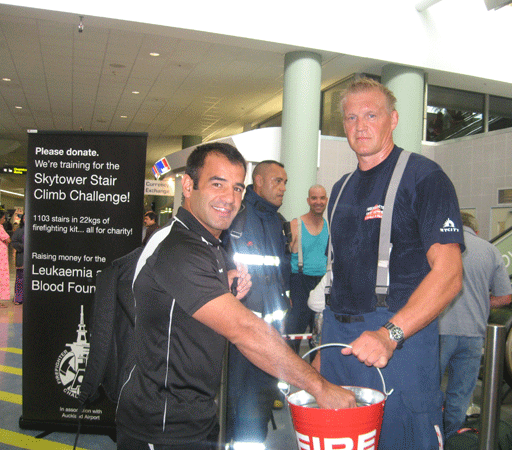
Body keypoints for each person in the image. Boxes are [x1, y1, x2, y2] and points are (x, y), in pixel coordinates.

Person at [115, 143, 355, 450]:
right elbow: (244, 330)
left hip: (193, 411)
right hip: (162, 424)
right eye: (217, 184)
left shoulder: (207, 243)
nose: (229, 198)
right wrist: (319, 386)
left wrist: (223, 285)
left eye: (237, 187)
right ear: (188, 186)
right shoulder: (180, 248)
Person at [319, 77, 464, 450]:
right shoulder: (340, 188)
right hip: (339, 341)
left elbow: (449, 276)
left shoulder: (425, 178)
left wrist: (390, 335)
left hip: (398, 342)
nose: (360, 126)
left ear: (393, 119)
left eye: (371, 114)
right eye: (351, 118)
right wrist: (325, 350)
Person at [223, 159, 293, 445]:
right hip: (239, 338)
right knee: (239, 408)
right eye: (278, 181)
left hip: (271, 338)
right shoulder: (235, 215)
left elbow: (280, 279)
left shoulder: (277, 223)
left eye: (286, 182)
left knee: (259, 409)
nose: (284, 188)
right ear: (259, 181)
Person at [439, 212, 512, 439]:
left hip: (439, 330)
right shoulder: (491, 250)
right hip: (474, 333)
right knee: (460, 395)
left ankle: (428, 438)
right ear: (476, 231)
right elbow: (505, 297)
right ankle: (452, 439)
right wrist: (482, 299)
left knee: (428, 388)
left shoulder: (440, 246)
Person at [286, 184, 329, 354]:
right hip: (300, 282)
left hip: (322, 284)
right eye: (314, 198)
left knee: (318, 339)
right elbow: (286, 259)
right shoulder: (296, 224)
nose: (318, 202)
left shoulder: (329, 226)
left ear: (326, 200)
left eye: (322, 198)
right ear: (308, 200)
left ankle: (315, 375)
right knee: (293, 336)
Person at [10, 215, 24, 305]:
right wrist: (23, 247)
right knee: (20, 278)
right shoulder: (19, 230)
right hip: (22, 257)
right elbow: (13, 241)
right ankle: (18, 298)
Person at [0, 214, 11, 309]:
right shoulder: (0, 228)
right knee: (1, 277)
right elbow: (8, 239)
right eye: (3, 218)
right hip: (1, 257)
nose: (4, 220)